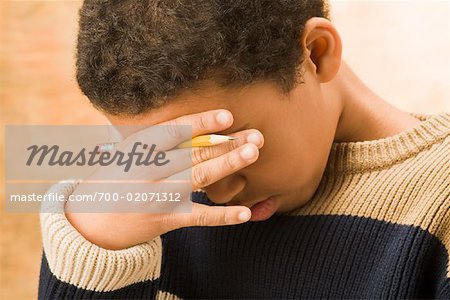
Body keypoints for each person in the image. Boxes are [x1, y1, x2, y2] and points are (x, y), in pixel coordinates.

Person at [38, 0, 450, 298]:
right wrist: (88, 248)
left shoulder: (438, 201)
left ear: (316, 53)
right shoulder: (138, 205)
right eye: (160, 154)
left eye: (223, 145)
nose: (216, 191)